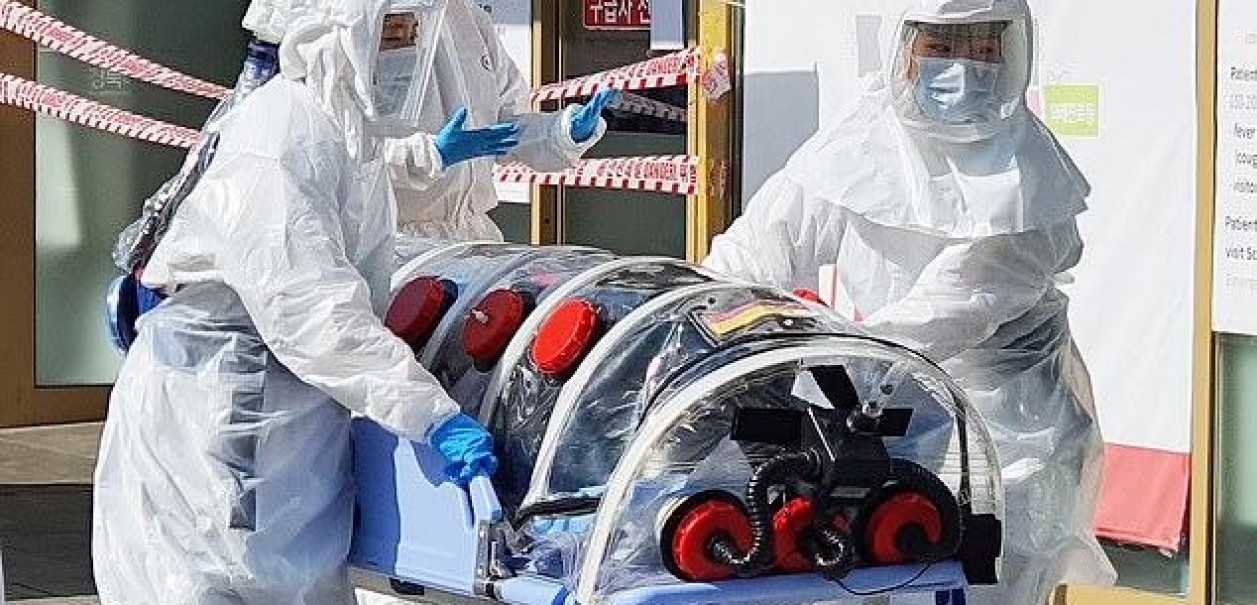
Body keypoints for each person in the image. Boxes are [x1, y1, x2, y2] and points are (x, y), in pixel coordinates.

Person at [703, 1, 1116, 603]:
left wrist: (821, 360)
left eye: (982, 48)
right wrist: (710, 318)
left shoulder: (1027, 176)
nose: (962, 68)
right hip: (877, 412)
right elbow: (761, 246)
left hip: (1005, 436)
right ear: (905, 49)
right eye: (941, 46)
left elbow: (950, 309)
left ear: (1012, 52)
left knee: (978, 583)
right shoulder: (861, 139)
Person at [92, 1, 497, 603]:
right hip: (229, 403)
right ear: (339, 35)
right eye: (392, 35)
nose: (405, 57)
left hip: (282, 404)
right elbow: (312, 313)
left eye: (413, 35)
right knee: (220, 578)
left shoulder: (339, 125)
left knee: (284, 578)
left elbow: (352, 185)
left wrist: (432, 155)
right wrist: (431, 415)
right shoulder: (280, 139)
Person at [244, 0, 616, 247]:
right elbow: (335, 150)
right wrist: (429, 155)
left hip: (473, 238)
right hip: (393, 244)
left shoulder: (471, 20)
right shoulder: (355, 23)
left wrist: (559, 132)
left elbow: (500, 125)